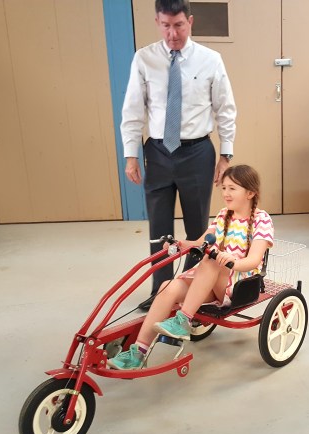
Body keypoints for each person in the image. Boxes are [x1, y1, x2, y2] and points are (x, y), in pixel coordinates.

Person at [120, 0, 237, 308]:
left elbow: (225, 109)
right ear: (157, 23)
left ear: (190, 22)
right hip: (158, 152)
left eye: (179, 25)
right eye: (166, 26)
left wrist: (226, 155)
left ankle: (192, 290)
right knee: (159, 227)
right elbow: (133, 110)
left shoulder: (210, 60)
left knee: (197, 228)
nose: (172, 33)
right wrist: (131, 155)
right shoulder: (144, 59)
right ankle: (160, 290)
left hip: (197, 152)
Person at [109, 164, 273, 370]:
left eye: (232, 188)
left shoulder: (262, 220)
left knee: (211, 259)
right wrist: (180, 244)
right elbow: (200, 243)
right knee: (167, 287)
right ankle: (138, 353)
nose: (226, 193)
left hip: (239, 283)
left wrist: (232, 261)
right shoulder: (224, 215)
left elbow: (254, 260)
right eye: (224, 188)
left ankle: (184, 320)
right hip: (212, 278)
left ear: (250, 193)